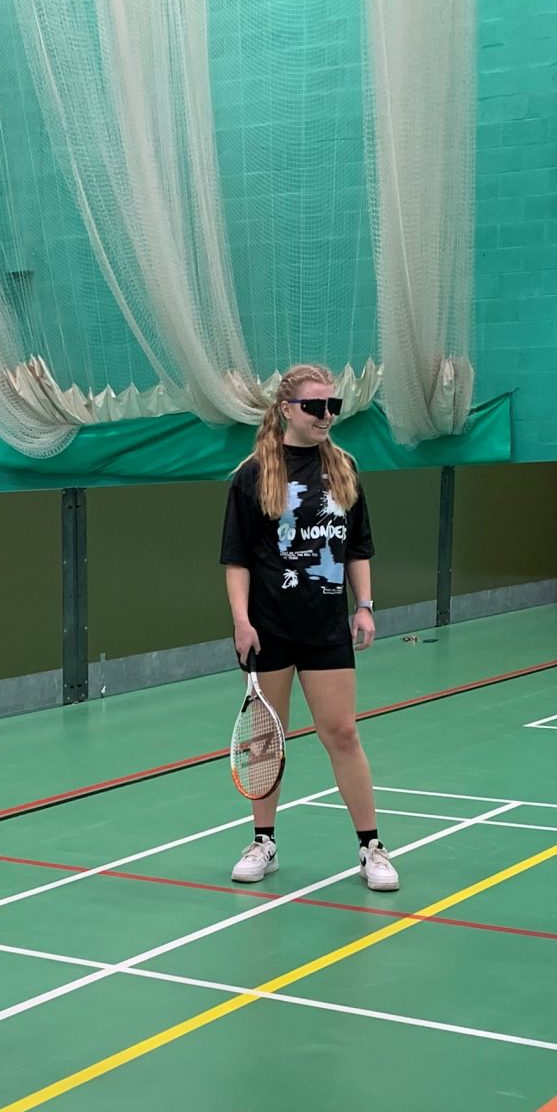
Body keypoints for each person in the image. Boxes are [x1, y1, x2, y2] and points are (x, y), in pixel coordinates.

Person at [218, 364, 397, 892]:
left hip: (325, 629)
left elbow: (357, 547)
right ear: (286, 410)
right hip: (269, 628)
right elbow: (236, 559)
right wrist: (241, 622)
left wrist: (364, 606)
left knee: (342, 733)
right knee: (265, 738)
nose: (326, 416)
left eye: (332, 406)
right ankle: (263, 842)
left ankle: (371, 847)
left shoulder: (344, 468)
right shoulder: (253, 475)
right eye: (316, 407)